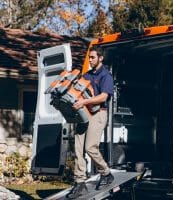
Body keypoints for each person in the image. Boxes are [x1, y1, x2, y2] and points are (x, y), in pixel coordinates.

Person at [67, 46, 114, 199]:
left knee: (90, 147)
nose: (90, 60)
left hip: (99, 114)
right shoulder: (86, 75)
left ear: (100, 58)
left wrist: (84, 101)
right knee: (78, 148)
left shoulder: (106, 76)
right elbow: (78, 92)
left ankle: (106, 173)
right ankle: (80, 182)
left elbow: (103, 97)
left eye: (93, 57)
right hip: (84, 114)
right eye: (90, 57)